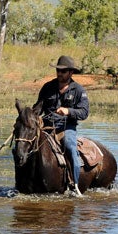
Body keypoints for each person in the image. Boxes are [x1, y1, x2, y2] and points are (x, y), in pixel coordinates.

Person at [36, 55, 90, 196]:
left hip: (66, 128)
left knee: (70, 147)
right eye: (58, 70)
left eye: (63, 71)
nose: (59, 73)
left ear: (71, 72)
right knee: (23, 146)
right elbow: (38, 108)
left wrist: (68, 111)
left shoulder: (78, 90)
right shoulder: (47, 87)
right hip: (45, 127)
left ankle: (74, 185)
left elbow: (84, 112)